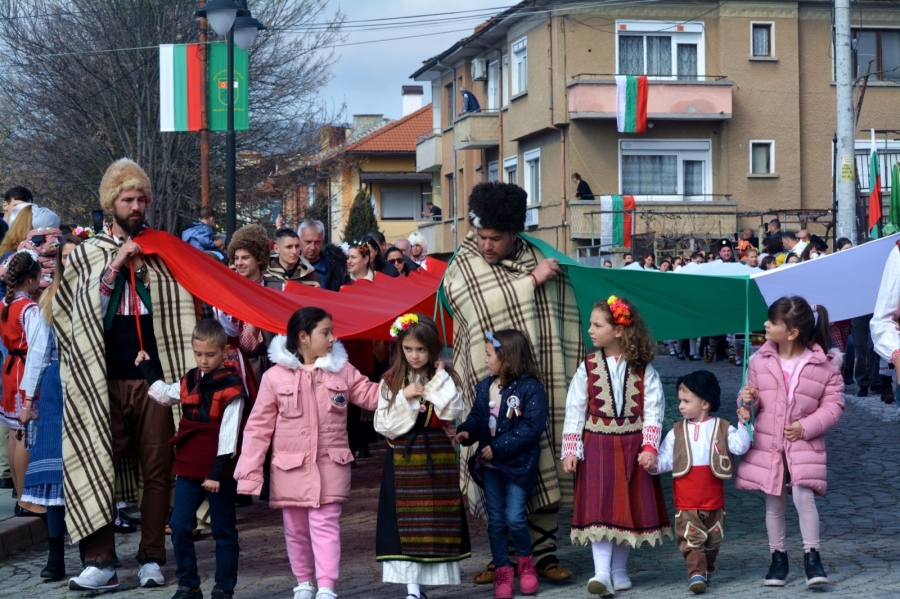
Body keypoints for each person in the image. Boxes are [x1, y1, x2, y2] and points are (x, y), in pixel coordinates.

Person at [56, 158, 198, 591]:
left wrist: (145, 273)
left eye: (141, 199)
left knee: (158, 469)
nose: (136, 206)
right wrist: (116, 266)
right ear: (110, 203)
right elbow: (76, 316)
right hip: (101, 382)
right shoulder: (87, 253)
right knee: (95, 459)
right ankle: (99, 561)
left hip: (155, 382)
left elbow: (181, 314)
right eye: (127, 199)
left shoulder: (164, 252)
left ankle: (152, 557)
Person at [442, 181, 582, 585]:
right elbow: (470, 305)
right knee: (494, 469)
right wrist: (531, 283)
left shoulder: (539, 255)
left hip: (540, 383)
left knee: (541, 456)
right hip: (490, 387)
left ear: (514, 234)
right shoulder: (464, 262)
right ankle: (500, 557)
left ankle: (543, 554)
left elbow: (563, 304)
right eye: (483, 236)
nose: (487, 245)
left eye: (496, 239)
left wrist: (545, 279)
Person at [234, 307, 381, 599]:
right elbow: (258, 428)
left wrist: (407, 387)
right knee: (296, 531)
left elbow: (371, 395)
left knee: (325, 525)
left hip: (331, 466)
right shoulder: (275, 377)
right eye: (325, 332)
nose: (332, 338)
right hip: (290, 470)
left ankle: (326, 586)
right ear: (303, 337)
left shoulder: (343, 369)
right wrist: (249, 476)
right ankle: (303, 582)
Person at [561, 296, 671, 596]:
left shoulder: (642, 367)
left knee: (627, 507)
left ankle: (619, 571)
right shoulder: (588, 366)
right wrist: (571, 448)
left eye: (597, 325)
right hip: (597, 444)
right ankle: (601, 573)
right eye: (591, 325)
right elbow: (575, 408)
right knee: (600, 505)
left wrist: (650, 447)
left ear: (619, 330)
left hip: (633, 445)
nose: (590, 331)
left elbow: (654, 408)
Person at [135, 319, 247, 599]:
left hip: (219, 468)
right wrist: (146, 367)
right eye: (198, 354)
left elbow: (230, 435)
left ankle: (223, 588)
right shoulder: (189, 379)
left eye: (210, 354)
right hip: (188, 464)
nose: (204, 360)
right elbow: (166, 394)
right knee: (180, 526)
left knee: (224, 531)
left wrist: (216, 473)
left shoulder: (233, 386)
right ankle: (188, 584)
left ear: (224, 351)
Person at [736, 296, 844, 588]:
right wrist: (746, 403)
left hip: (803, 445)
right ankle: (778, 558)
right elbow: (750, 399)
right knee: (774, 502)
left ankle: (812, 556)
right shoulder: (760, 361)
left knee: (803, 498)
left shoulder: (824, 366)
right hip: (769, 445)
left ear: (792, 332)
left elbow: (833, 407)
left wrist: (805, 427)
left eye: (772, 322)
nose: (765, 325)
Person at [373, 314, 469, 599]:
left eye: (421, 349)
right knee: (404, 524)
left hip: (436, 457)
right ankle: (412, 590)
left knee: (434, 520)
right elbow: (383, 425)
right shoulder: (390, 381)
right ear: (400, 347)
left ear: (432, 348)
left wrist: (438, 379)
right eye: (409, 349)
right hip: (402, 457)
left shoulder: (444, 378)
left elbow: (451, 411)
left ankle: (425, 585)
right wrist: (404, 396)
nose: (415, 356)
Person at [455, 329, 548, 599]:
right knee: (495, 521)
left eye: (489, 354)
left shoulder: (531, 388)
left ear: (507, 357)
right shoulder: (485, 387)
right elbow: (476, 417)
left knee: (514, 517)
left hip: (518, 465)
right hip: (491, 468)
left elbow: (532, 427)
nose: (485, 360)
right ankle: (503, 571)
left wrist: (496, 448)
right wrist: (467, 432)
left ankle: (526, 565)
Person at [649, 370, 752, 594]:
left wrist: (744, 423)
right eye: (680, 401)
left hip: (714, 500)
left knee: (714, 539)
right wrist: (653, 465)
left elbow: (740, 447)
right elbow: (666, 459)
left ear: (705, 403)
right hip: (686, 500)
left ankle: (707, 568)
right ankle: (695, 573)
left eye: (687, 401)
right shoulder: (676, 431)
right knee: (690, 538)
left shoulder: (723, 427)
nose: (681, 406)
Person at [18, 233, 83, 580]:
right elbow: (39, 354)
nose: (70, 263)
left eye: (77, 256)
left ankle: (97, 552)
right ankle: (56, 555)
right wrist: (28, 399)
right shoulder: (49, 300)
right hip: (58, 388)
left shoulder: (98, 296)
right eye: (65, 258)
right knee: (55, 473)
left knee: (90, 470)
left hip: (91, 384)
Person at [0, 250, 45, 516]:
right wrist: (30, 395)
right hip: (24, 371)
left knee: (14, 432)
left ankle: (21, 496)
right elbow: (37, 350)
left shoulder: (5, 304)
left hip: (10, 371)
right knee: (25, 435)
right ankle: (27, 498)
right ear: (30, 280)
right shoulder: (28, 309)